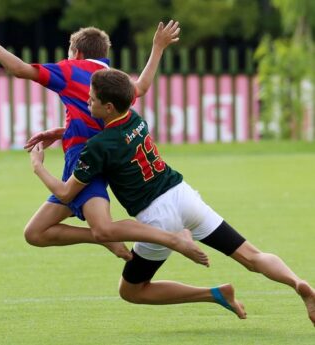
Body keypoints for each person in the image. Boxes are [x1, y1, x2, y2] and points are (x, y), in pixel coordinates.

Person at [29, 68, 315, 325]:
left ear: (108, 106)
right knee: (252, 256)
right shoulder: (135, 119)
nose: (86, 103)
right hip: (183, 195)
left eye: (90, 100)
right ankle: (297, 282)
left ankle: (196, 272)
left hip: (158, 217)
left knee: (130, 289)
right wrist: (64, 132)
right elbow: (113, 135)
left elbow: (67, 192)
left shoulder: (98, 148)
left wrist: (39, 168)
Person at [0, 10, 209, 266]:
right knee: (35, 232)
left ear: (77, 53)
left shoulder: (70, 70)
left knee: (102, 228)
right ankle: (112, 241)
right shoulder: (110, 78)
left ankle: (167, 239)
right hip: (101, 155)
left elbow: (19, 69)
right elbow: (141, 87)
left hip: (84, 160)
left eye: (69, 53)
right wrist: (158, 47)